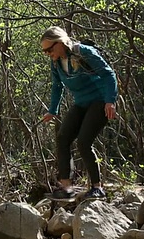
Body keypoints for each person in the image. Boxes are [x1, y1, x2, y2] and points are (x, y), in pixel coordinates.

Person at [40, 26, 118, 199]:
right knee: (63, 137)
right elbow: (57, 86)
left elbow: (108, 74)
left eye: (49, 49)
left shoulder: (83, 52)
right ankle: (66, 188)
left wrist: (110, 100)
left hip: (100, 101)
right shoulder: (56, 63)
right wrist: (53, 110)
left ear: (59, 43)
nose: (47, 54)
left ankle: (97, 188)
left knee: (83, 142)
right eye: (44, 52)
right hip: (82, 103)